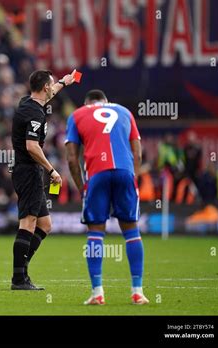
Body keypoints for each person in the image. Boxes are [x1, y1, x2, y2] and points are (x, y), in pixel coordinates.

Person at [65, 89, 149, 305]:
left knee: (95, 231)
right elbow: (138, 153)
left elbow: (72, 159)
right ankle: (138, 292)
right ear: (106, 101)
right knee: (131, 230)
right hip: (125, 172)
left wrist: (82, 187)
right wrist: (134, 179)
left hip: (97, 174)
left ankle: (97, 292)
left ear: (87, 103)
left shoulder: (78, 115)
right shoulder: (125, 112)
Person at [10, 69, 77, 290]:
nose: (53, 88)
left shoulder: (27, 102)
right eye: (52, 85)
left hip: (31, 172)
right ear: (45, 88)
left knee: (45, 225)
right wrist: (51, 170)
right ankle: (19, 279)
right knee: (28, 223)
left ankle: (23, 266)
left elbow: (51, 92)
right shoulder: (35, 113)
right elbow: (32, 146)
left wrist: (64, 82)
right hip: (28, 171)